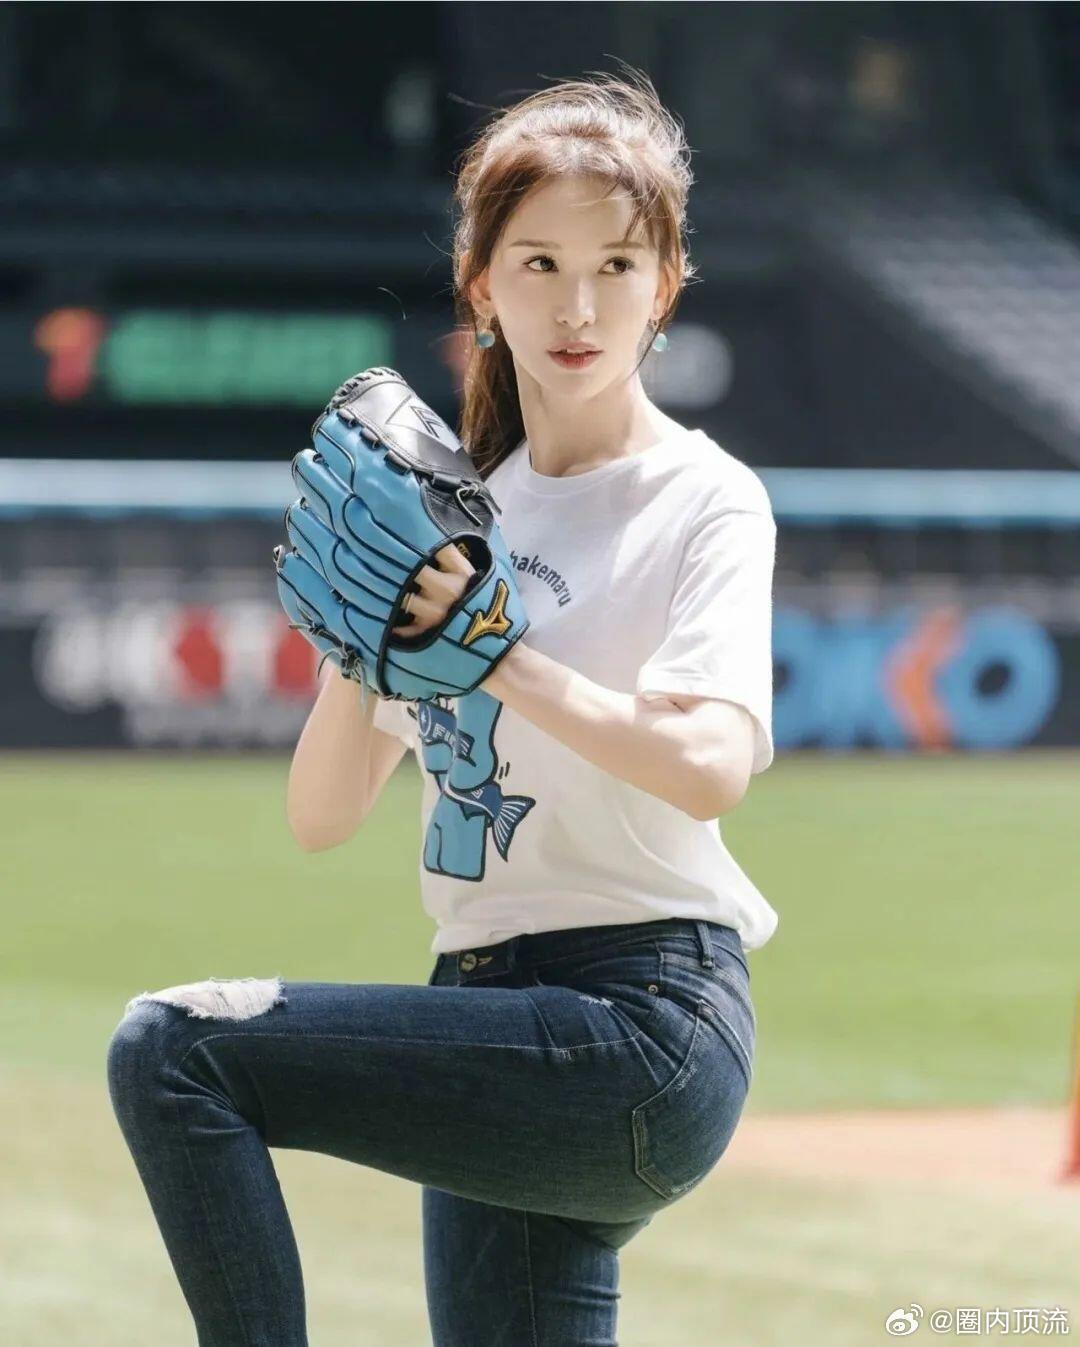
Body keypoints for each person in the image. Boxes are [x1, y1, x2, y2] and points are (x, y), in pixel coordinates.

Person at [106, 66, 779, 1347]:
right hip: (488, 1008)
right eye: (539, 264)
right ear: (480, 286)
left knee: (174, 1051)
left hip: (643, 1025)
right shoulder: (452, 512)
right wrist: (360, 642)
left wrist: (496, 652)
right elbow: (321, 818)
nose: (578, 306)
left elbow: (708, 767)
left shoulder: (705, 498)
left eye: (617, 266)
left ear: (665, 287)